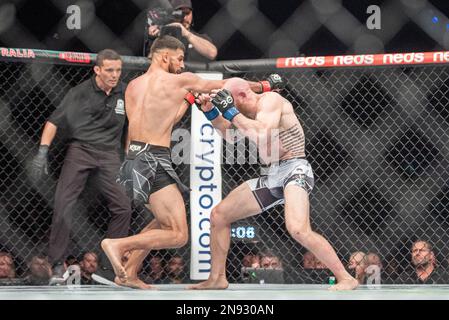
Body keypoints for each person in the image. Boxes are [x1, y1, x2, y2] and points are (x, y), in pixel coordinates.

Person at [101, 36, 277, 289]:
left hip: (133, 158)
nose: (182, 65)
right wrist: (263, 86)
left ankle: (127, 272)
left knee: (163, 222)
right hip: (154, 160)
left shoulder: (133, 86)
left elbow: (165, 121)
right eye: (180, 58)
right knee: (178, 235)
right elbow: (227, 84)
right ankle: (117, 244)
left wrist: (187, 99)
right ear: (164, 56)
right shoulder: (180, 80)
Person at [188, 78, 358, 290]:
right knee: (219, 215)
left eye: (227, 99)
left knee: (298, 229)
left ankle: (345, 277)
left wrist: (231, 111)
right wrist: (210, 111)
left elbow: (260, 133)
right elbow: (230, 136)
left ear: (240, 96)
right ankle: (217, 278)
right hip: (272, 175)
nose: (226, 104)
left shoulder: (270, 100)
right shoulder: (246, 113)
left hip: (294, 169)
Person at [29, 49, 132, 272]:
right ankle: (56, 261)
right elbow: (53, 121)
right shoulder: (80, 92)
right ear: (97, 70)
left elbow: (130, 126)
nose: (115, 75)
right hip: (81, 150)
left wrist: (129, 156)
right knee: (63, 203)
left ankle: (111, 263)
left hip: (110, 154)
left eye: (118, 70)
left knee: (123, 206)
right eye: (110, 70)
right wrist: (42, 152)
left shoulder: (125, 91)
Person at [145, 0, 217, 62]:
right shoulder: (164, 37)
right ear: (172, 15)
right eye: (180, 13)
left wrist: (187, 34)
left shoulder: (200, 38)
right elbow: (151, 62)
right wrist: (153, 39)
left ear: (192, 14)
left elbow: (212, 53)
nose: (184, 18)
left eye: (187, 13)